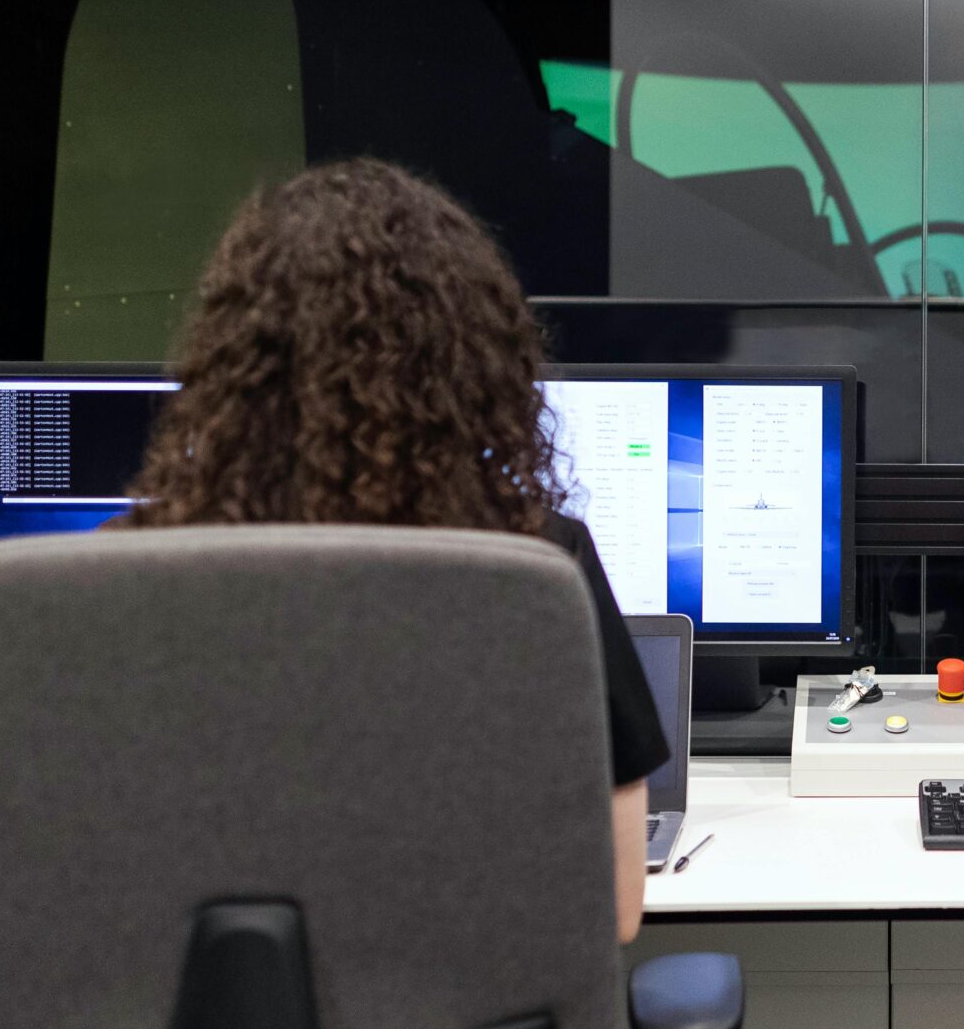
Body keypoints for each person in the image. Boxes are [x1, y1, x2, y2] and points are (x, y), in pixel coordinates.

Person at [119, 157, 668, 942]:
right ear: (471, 364)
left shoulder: (117, 580)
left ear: (230, 360)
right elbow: (612, 910)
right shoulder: (538, 572)